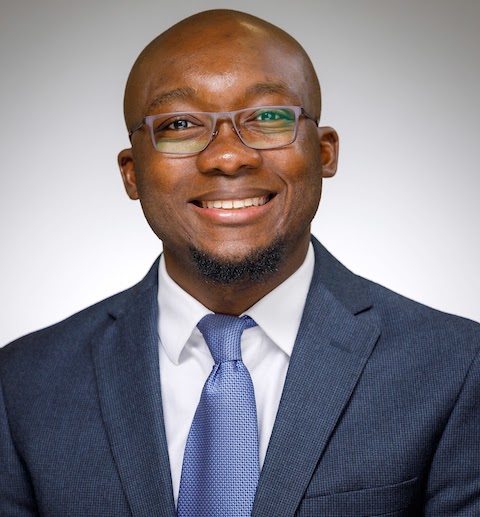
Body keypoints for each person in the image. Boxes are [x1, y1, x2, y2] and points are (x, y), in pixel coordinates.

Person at [1, 8, 479, 516]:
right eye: (180, 124)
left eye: (268, 117)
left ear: (324, 152)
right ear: (132, 173)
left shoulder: (458, 368)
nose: (228, 157)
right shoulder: (21, 386)